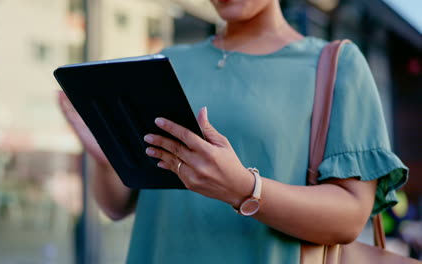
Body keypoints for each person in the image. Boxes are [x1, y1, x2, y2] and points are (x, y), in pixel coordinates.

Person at [58, 0, 409, 263]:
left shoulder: (335, 64)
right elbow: (117, 207)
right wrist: (107, 159)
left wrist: (244, 188)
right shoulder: (165, 60)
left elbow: (350, 217)